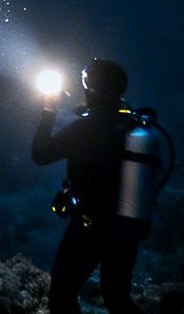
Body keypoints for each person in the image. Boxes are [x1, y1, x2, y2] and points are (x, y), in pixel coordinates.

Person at [32, 58, 146, 314]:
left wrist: (49, 109)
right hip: (127, 227)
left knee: (62, 297)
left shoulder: (85, 129)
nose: (83, 89)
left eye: (86, 83)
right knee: (117, 297)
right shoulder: (133, 125)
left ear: (93, 90)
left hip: (89, 227)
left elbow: (40, 155)